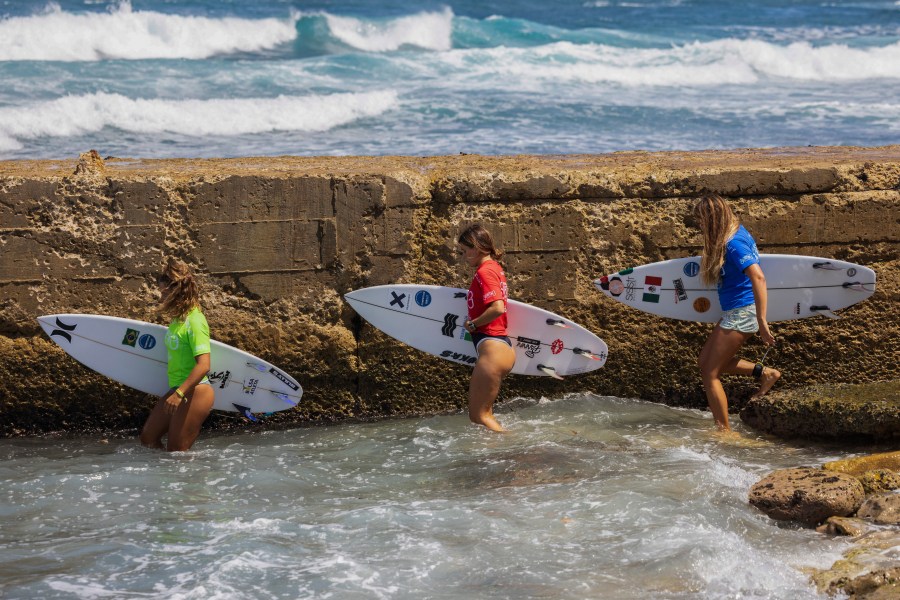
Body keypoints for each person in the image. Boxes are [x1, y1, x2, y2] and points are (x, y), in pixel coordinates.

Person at [694, 195, 780, 431]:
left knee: (710, 374)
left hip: (743, 312)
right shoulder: (736, 232)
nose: (700, 226)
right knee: (705, 363)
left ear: (712, 219)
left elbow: (758, 277)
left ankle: (724, 431)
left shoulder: (733, 244)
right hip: (735, 311)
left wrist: (762, 321)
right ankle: (766, 373)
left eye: (702, 221)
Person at [139, 258, 215, 451]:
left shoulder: (195, 321)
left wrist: (180, 393)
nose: (161, 294)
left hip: (195, 392)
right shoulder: (177, 321)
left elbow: (204, 365)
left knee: (177, 453)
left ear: (176, 291)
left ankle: (192, 479)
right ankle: (165, 480)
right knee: (148, 438)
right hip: (177, 390)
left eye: (164, 290)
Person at [457, 224, 516, 432]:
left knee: (479, 416)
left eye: (465, 251)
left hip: (493, 350)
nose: (464, 257)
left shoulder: (486, 271)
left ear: (477, 247)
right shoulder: (495, 268)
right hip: (498, 348)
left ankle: (514, 447)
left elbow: (498, 308)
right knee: (484, 415)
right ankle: (501, 453)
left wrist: (473, 324)